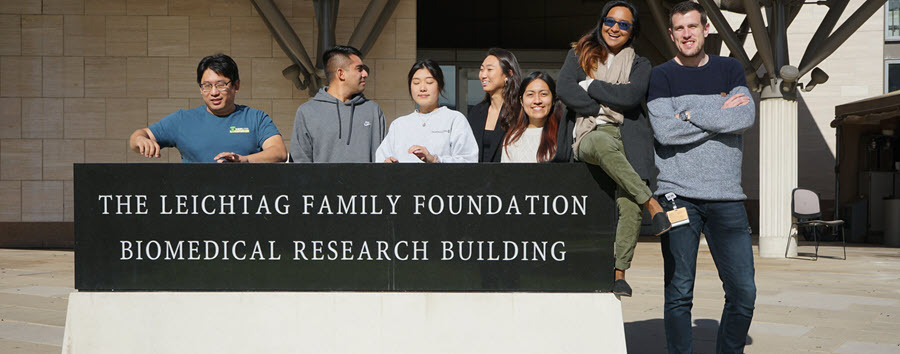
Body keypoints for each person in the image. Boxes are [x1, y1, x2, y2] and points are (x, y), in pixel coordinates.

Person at [647, 2, 756, 353]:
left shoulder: (729, 68)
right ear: (672, 33)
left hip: (727, 196)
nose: (687, 34)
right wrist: (714, 112)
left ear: (706, 29)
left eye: (693, 27)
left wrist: (688, 114)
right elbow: (664, 132)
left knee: (743, 292)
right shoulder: (661, 75)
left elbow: (743, 118)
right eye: (680, 28)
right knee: (679, 292)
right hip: (678, 195)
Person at [557, 0, 668, 297]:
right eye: (610, 21)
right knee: (603, 144)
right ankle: (653, 205)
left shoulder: (641, 64)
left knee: (629, 206)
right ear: (601, 21)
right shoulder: (578, 53)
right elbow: (565, 89)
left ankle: (620, 273)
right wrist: (604, 101)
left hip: (630, 137)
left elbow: (630, 96)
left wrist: (590, 85)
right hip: (590, 132)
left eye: (623, 24)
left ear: (632, 32)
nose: (615, 28)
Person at [129, 53, 286, 163]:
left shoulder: (255, 118)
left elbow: (279, 152)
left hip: (244, 203)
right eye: (207, 86)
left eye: (221, 85)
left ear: (236, 85)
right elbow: (138, 137)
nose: (214, 92)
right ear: (200, 88)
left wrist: (245, 160)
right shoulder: (183, 120)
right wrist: (140, 140)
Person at [290, 45, 386, 162]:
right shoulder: (307, 112)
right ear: (341, 74)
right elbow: (300, 163)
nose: (365, 74)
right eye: (359, 69)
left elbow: (383, 159)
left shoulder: (373, 111)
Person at [376, 59, 478, 163]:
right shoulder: (398, 125)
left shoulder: (455, 119)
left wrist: (434, 160)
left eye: (429, 82)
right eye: (416, 83)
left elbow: (469, 161)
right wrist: (387, 164)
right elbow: (380, 159)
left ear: (440, 86)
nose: (422, 88)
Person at [467, 48, 523, 162]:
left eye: (489, 69)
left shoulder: (520, 111)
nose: (483, 75)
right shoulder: (476, 112)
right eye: (481, 69)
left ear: (508, 74)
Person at [501, 71, 564, 163]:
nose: (537, 100)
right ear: (521, 101)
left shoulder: (563, 136)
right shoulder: (512, 139)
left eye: (543, 94)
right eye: (530, 94)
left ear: (553, 99)